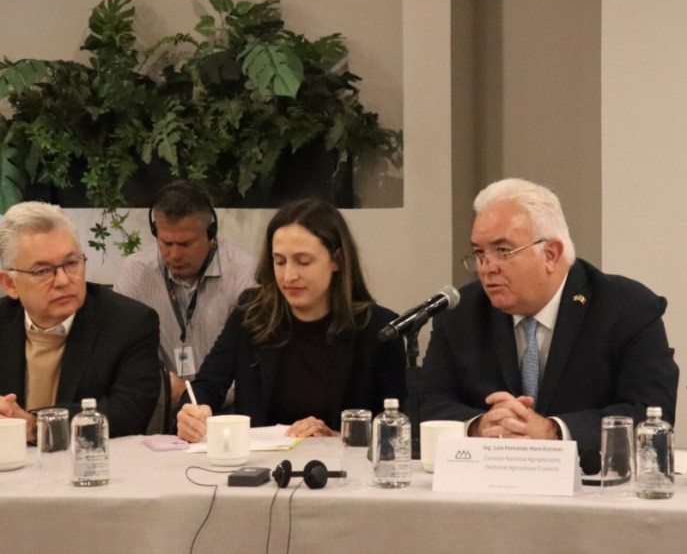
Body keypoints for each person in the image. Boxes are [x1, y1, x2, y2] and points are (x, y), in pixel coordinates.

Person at [419, 178, 679, 450]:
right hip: (487, 473)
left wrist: (553, 431)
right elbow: (427, 402)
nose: (486, 268)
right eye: (479, 253)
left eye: (503, 251)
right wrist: (478, 426)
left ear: (551, 254)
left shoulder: (627, 308)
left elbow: (650, 412)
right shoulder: (461, 312)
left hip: (590, 475)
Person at [176, 198, 406, 442]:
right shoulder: (252, 312)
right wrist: (193, 412)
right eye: (280, 261)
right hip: (262, 461)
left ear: (336, 260)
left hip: (341, 463)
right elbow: (208, 384)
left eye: (303, 261)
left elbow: (394, 432)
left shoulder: (379, 330)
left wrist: (336, 436)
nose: (288, 276)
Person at [0, 202, 159, 439]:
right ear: (10, 284)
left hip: (90, 459)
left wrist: (36, 426)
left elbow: (128, 415)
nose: (63, 280)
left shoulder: (130, 323)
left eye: (72, 263)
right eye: (42, 271)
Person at [115, 180, 257, 408]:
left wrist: (192, 396)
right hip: (160, 410)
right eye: (166, 243)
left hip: (228, 411)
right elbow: (122, 357)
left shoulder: (244, 273)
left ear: (210, 233)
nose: (174, 255)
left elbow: (253, 370)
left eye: (185, 244)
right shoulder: (136, 273)